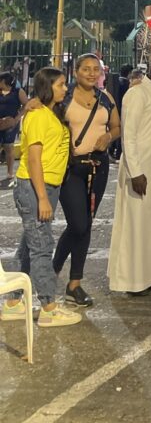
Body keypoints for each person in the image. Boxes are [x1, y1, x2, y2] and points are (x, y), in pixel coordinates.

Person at [1, 67, 81, 327]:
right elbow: (33, 159)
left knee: (29, 245)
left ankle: (13, 302)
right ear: (48, 86)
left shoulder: (49, 113)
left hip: (47, 187)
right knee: (42, 248)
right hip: (36, 187)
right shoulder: (37, 116)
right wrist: (42, 198)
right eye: (60, 85)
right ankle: (48, 307)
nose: (65, 89)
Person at [53, 53, 120, 307]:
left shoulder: (106, 98)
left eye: (96, 69)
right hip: (71, 168)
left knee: (87, 224)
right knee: (78, 223)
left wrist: (109, 137)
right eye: (86, 69)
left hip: (98, 167)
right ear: (76, 71)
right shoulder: (63, 97)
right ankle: (53, 270)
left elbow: (117, 126)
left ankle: (74, 285)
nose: (92, 74)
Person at [108, 49, 151, 295]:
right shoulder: (136, 93)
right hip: (141, 169)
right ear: (148, 64)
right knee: (137, 224)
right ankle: (134, 280)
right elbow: (129, 135)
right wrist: (135, 172)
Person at [0, 70, 28, 187]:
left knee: (9, 146)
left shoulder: (17, 92)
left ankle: (10, 173)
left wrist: (16, 119)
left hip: (11, 123)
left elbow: (26, 105)